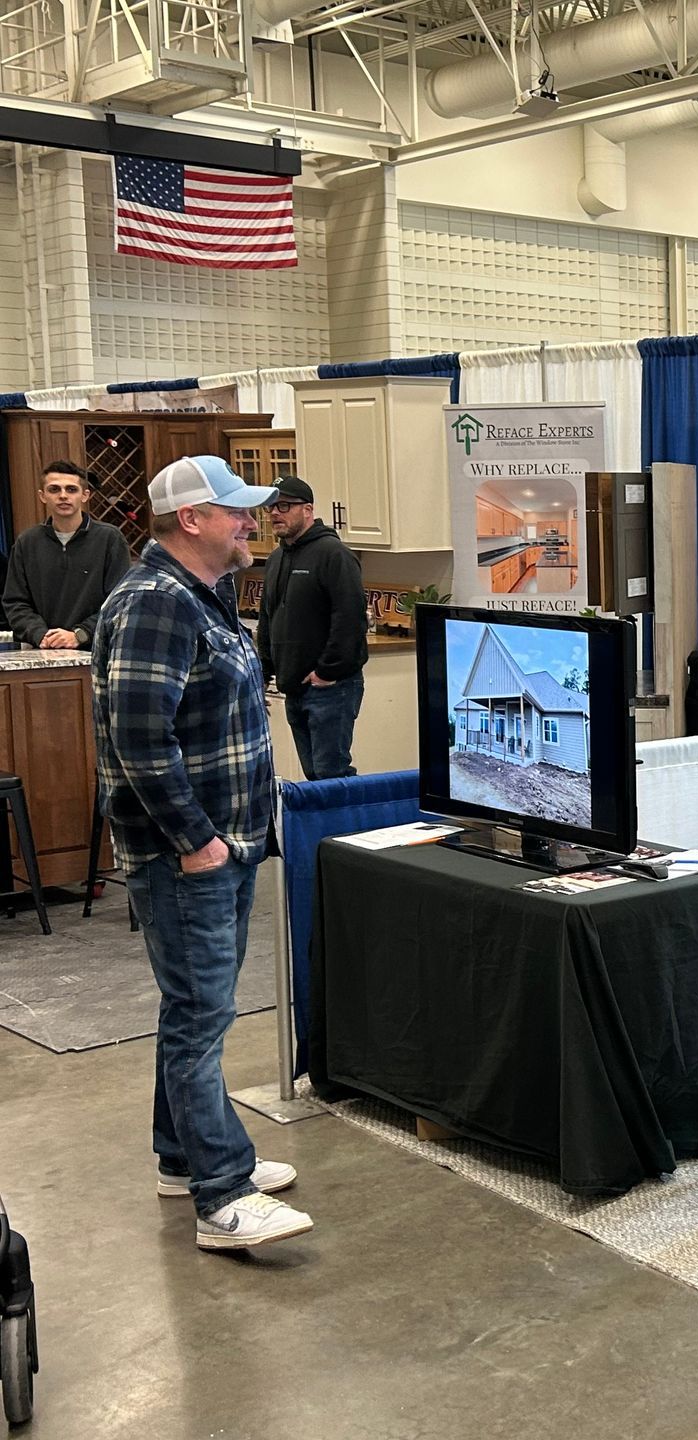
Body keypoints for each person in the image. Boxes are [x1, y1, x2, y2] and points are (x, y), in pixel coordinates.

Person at [93, 456, 313, 1252]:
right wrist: (197, 842)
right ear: (193, 519)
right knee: (200, 1016)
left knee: (192, 1008)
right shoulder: (157, 604)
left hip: (225, 846)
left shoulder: (199, 597)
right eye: (237, 512)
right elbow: (141, 739)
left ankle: (181, 1157)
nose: (252, 521)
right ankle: (221, 1196)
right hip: (189, 856)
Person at [255, 475, 368, 780]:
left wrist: (327, 671)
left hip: (331, 688)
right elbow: (268, 618)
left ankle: (345, 828)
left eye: (284, 506)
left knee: (331, 775)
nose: (275, 513)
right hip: (293, 687)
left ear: (308, 509)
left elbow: (351, 619)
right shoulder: (276, 557)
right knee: (314, 776)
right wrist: (262, 674)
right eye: (270, 508)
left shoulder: (334, 554)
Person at [3, 460, 131, 649]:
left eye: (71, 490)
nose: (63, 496)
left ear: (85, 495)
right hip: (43, 651)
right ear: (42, 496)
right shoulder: (27, 542)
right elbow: (15, 601)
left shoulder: (110, 539)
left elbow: (121, 600)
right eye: (54, 489)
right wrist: (40, 634)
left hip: (98, 651)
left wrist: (80, 634)